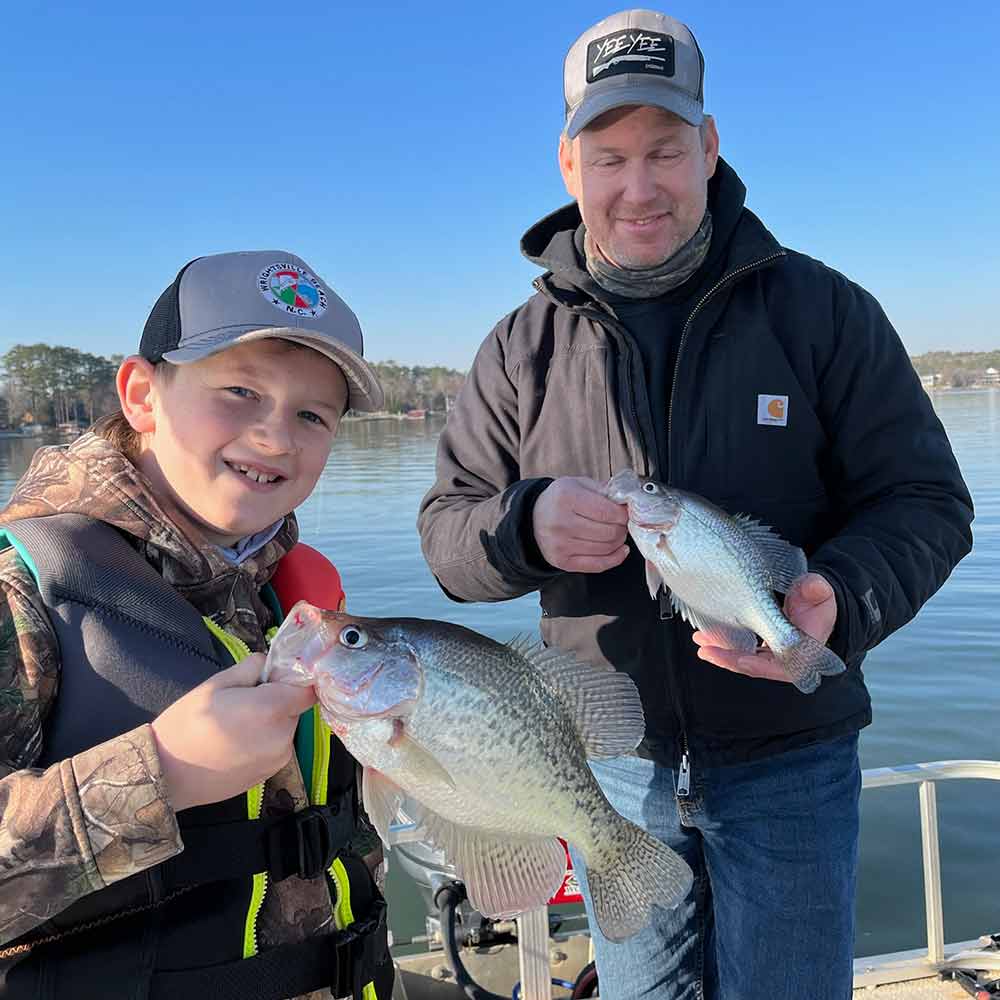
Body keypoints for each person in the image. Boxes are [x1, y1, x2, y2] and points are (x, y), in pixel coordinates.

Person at [417, 10, 974, 999]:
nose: (639, 185)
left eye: (666, 150)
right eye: (610, 154)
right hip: (608, 766)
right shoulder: (516, 349)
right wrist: (526, 526)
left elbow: (926, 500)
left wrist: (839, 601)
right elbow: (447, 536)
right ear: (566, 165)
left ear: (709, 149)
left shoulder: (824, 311)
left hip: (793, 756)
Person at [0, 251, 394, 1000]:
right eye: (240, 391)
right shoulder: (22, 592)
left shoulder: (283, 589)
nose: (276, 437)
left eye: (313, 414)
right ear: (142, 395)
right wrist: (161, 775)